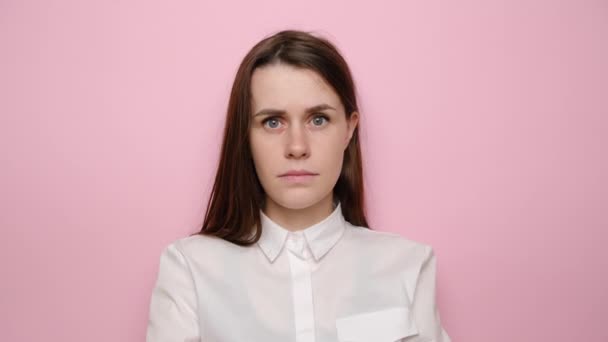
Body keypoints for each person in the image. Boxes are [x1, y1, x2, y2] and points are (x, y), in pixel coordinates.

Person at [146, 29, 451, 342]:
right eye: (272, 122)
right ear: (245, 135)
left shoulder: (408, 266)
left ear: (348, 129)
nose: (296, 147)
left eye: (318, 119)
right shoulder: (190, 270)